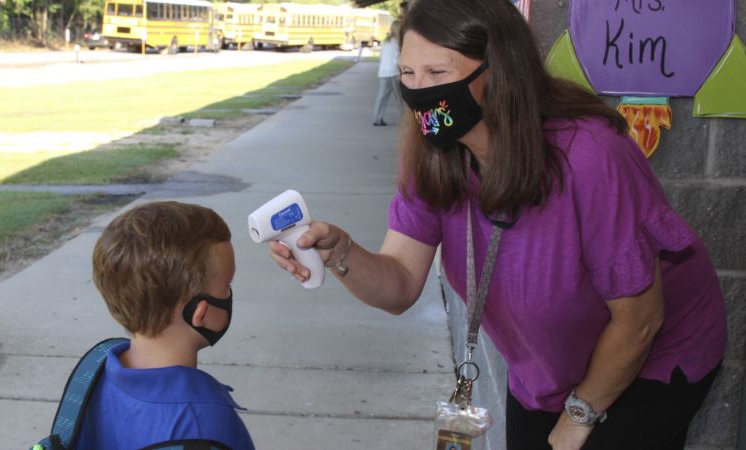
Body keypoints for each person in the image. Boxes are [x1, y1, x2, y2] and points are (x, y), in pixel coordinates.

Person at [268, 0, 727, 449]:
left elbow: (641, 321)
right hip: (548, 368)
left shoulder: (591, 155)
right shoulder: (431, 152)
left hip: (650, 359)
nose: (419, 91)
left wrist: (579, 416)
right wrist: (342, 252)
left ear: (499, 72)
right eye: (408, 74)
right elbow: (401, 285)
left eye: (438, 74)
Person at [76, 201, 255, 450]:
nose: (229, 294)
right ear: (200, 313)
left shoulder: (94, 371)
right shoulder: (200, 426)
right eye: (227, 285)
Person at [372, 20, 401, 126]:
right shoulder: (397, 42)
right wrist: (401, 72)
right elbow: (396, 59)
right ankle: (404, 121)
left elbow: (381, 56)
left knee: (381, 97)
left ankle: (377, 118)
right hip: (394, 73)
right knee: (400, 99)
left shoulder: (386, 41)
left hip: (383, 72)